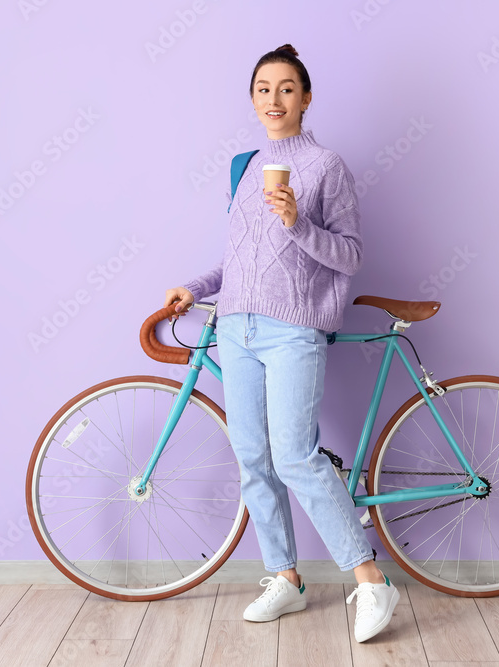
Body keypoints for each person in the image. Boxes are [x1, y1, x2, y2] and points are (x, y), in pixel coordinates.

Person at [162, 44, 399, 643]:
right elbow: (240, 260)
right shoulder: (244, 167)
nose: (275, 99)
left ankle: (371, 582)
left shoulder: (326, 166)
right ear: (252, 98)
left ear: (307, 97)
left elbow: (350, 255)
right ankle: (286, 578)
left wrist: (299, 223)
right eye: (264, 88)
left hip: (293, 327)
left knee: (296, 455)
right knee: (253, 456)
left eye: (287, 88)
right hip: (236, 327)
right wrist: (195, 288)